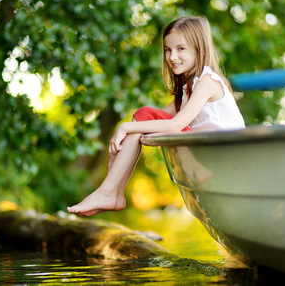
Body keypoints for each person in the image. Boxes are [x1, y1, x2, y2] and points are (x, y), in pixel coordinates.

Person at [67, 15, 245, 217]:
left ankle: (108, 192)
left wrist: (124, 127)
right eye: (168, 50)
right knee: (143, 116)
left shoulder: (208, 82)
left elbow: (174, 125)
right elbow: (149, 119)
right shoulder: (188, 89)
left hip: (226, 161)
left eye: (181, 49)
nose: (172, 57)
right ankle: (112, 192)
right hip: (206, 158)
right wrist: (118, 146)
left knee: (140, 123)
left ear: (199, 48)